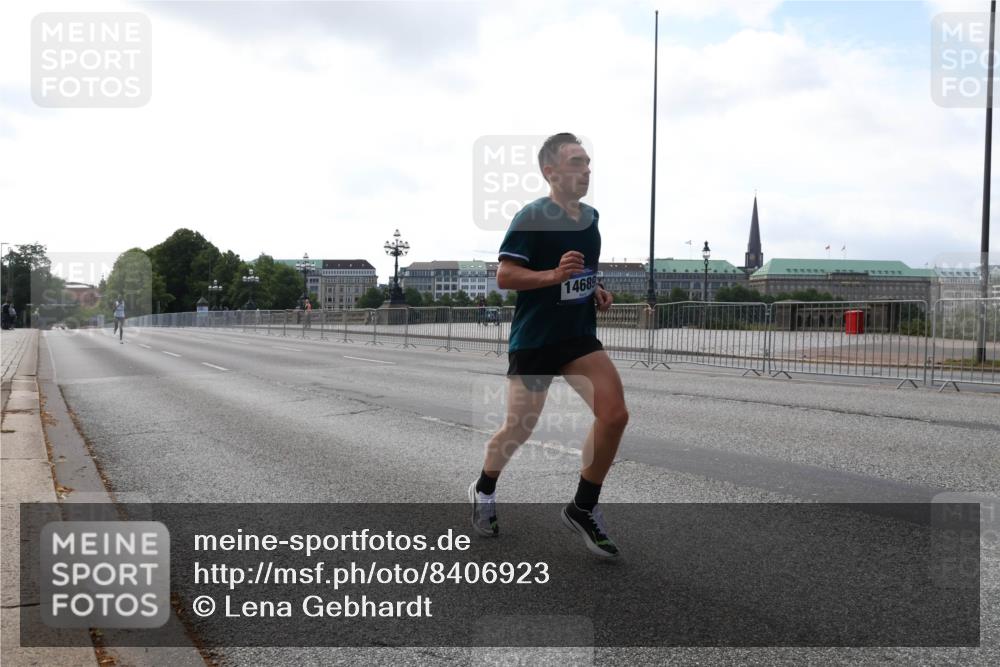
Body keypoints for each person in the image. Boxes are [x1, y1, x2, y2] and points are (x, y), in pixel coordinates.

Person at [468, 133, 628, 559]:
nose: (586, 170)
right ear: (551, 172)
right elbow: (506, 277)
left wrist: (595, 288)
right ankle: (484, 488)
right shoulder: (532, 216)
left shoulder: (592, 217)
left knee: (614, 414)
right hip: (535, 339)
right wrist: (553, 277)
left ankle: (583, 506)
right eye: (576, 162)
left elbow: (580, 271)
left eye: (588, 162)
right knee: (519, 428)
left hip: (577, 337)